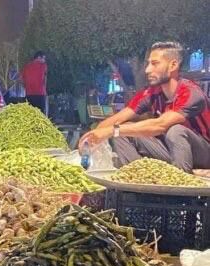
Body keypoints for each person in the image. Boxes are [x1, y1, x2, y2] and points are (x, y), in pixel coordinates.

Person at [78, 41, 210, 173]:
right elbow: (118, 119)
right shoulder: (151, 93)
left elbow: (160, 125)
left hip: (202, 154)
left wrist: (113, 130)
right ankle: (134, 182)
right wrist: (92, 137)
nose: (147, 70)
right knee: (124, 131)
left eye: (155, 64)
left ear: (173, 65)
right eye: (148, 64)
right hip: (170, 149)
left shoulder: (191, 92)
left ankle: (180, 187)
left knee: (176, 130)